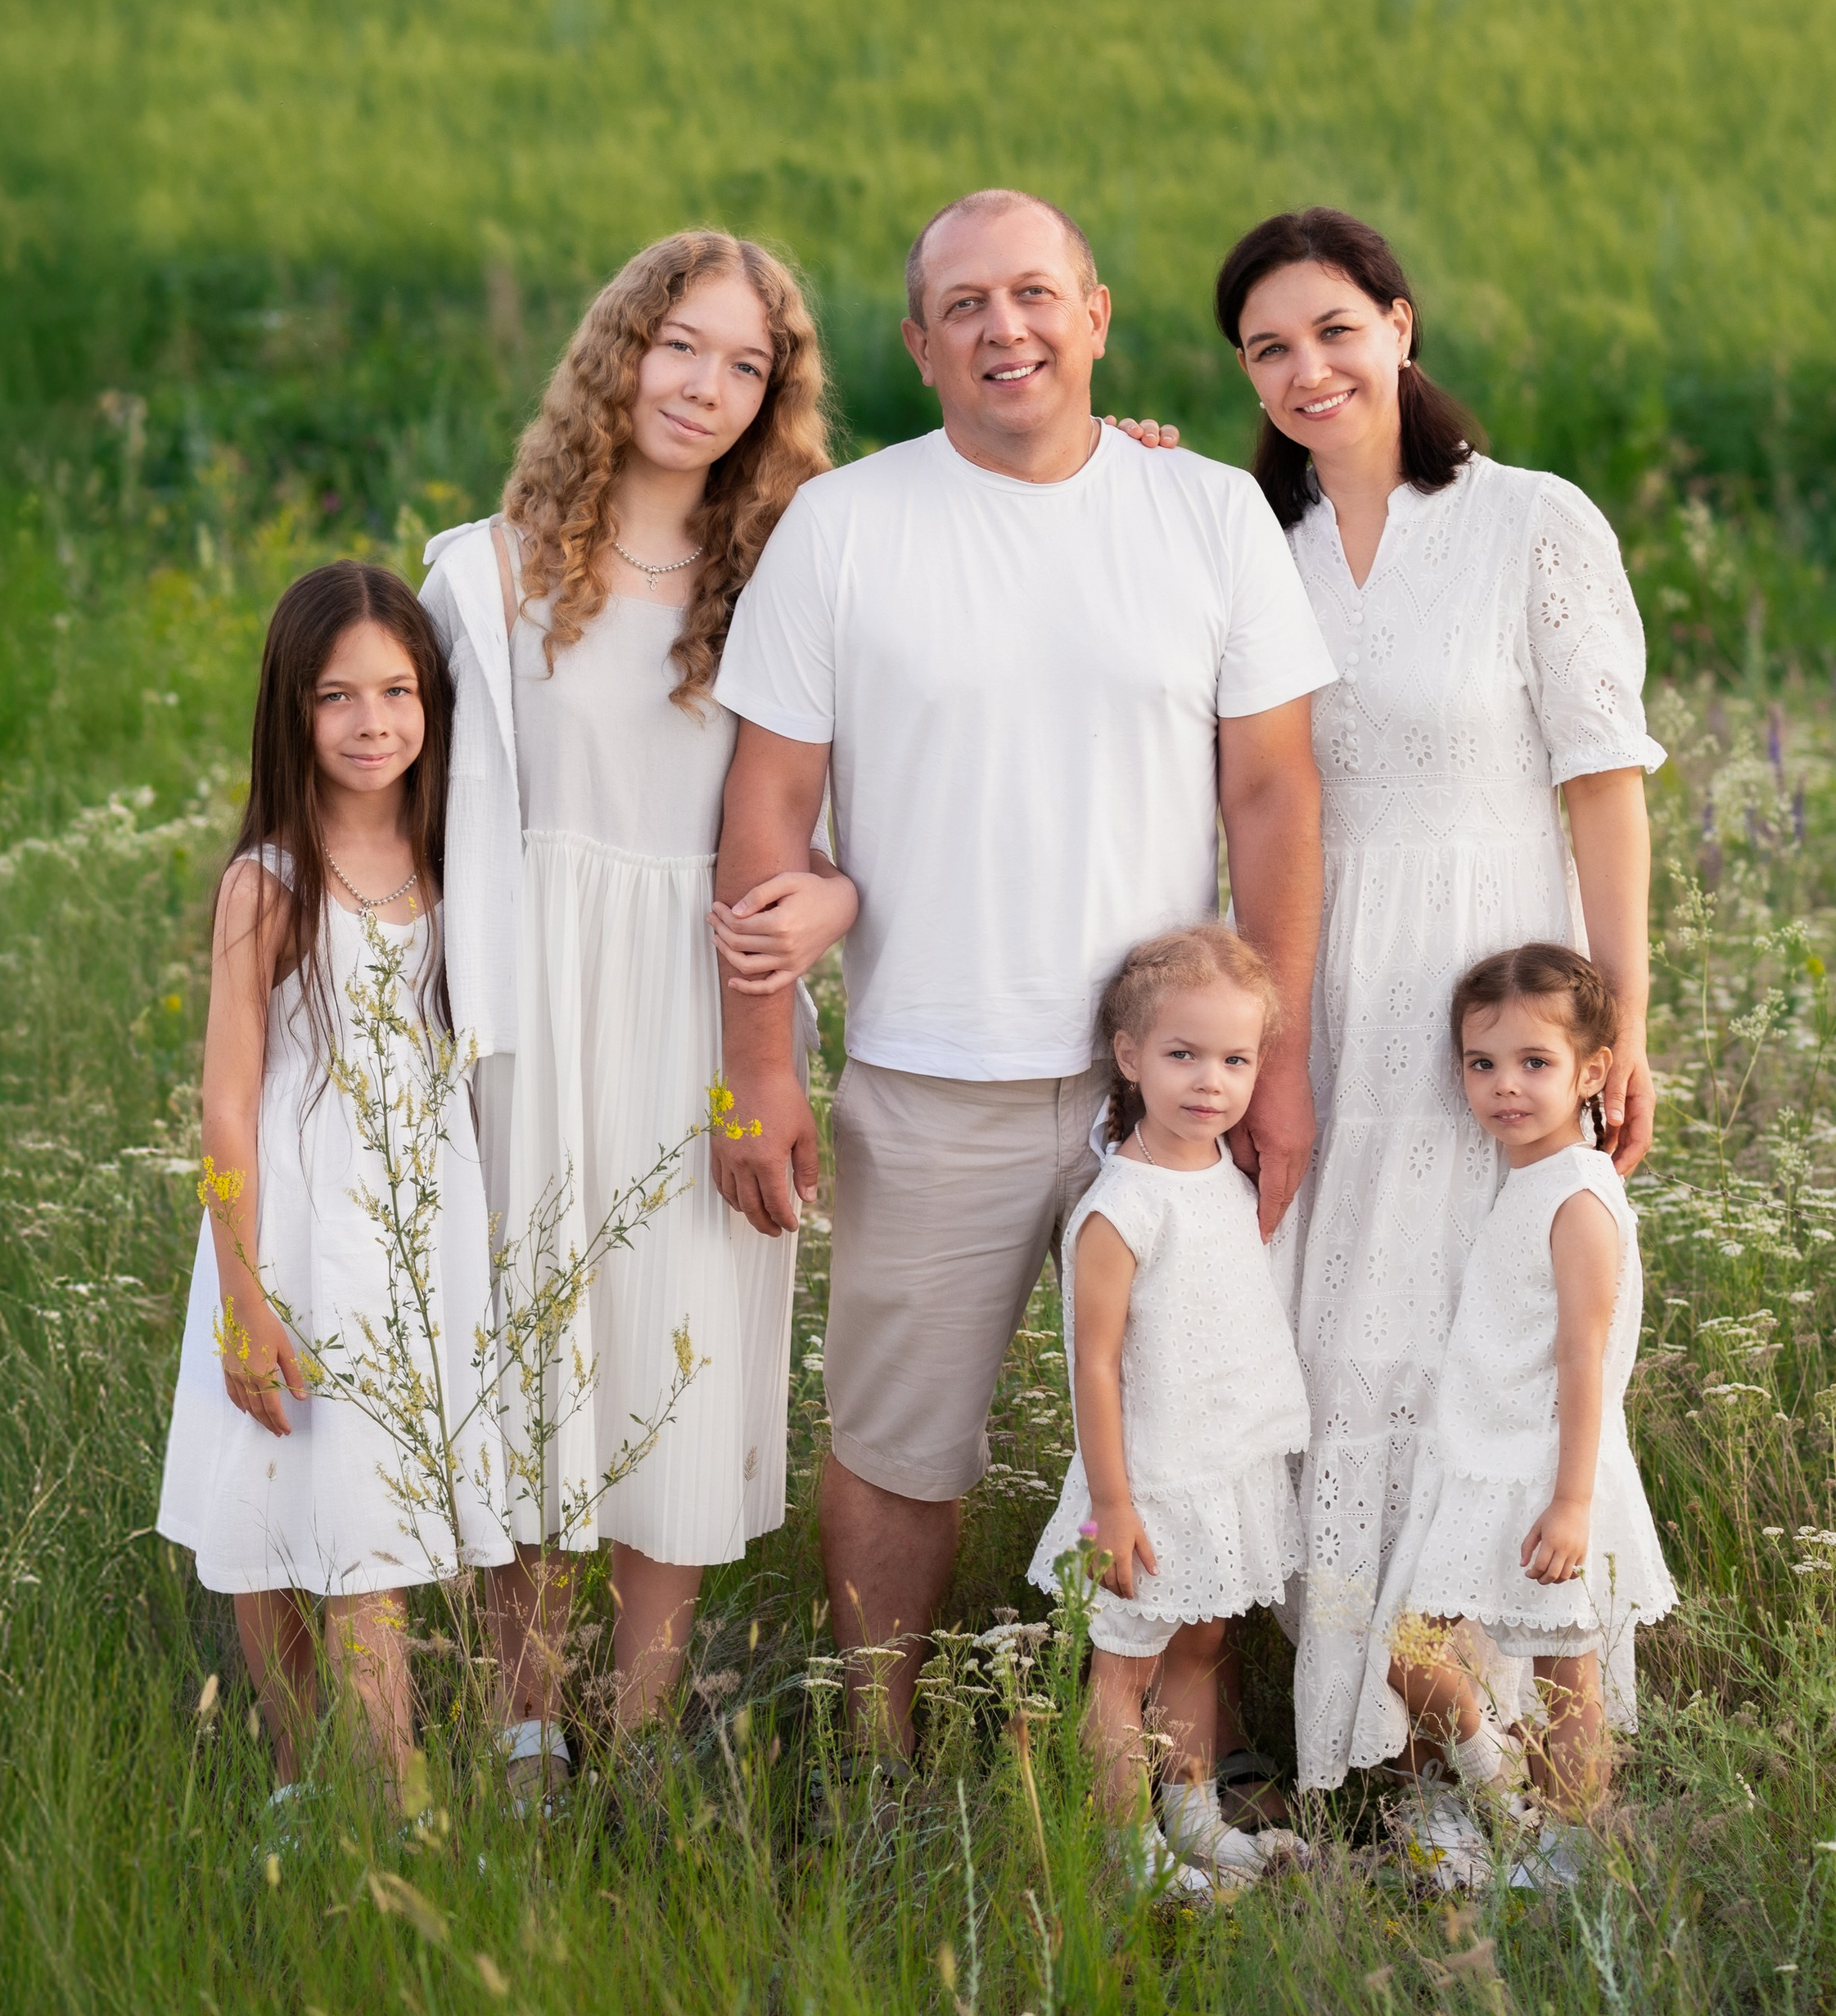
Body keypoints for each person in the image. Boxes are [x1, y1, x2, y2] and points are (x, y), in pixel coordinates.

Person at [710, 187, 1335, 1766]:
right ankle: (877, 1757)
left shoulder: (1203, 515)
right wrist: (763, 1070)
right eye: (969, 305)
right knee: (904, 1447)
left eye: (1037, 294)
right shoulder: (843, 529)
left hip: (1170, 1098)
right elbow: (765, 816)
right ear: (922, 346)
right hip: (932, 1075)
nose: (1009, 327)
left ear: (1097, 313)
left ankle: (1186, 1769)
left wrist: (1283, 1064)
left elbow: (1271, 797)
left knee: (1194, 1436)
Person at [1212, 205, 1664, 1790]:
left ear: (1399, 324)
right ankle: (1407, 1757)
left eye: (1333, 327)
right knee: (1341, 1350)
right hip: (1318, 988)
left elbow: (1601, 784)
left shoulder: (1528, 518)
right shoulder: (1233, 539)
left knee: (1502, 1345)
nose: (1305, 366)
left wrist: (1620, 1023)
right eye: (1266, 346)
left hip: (1492, 988)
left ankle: (1544, 1767)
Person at [418, 231, 854, 1793]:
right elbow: (402, 816)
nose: (710, 387)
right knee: (530, 1346)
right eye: (685, 346)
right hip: (532, 998)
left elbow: (865, 813)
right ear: (622, 350)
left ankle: (649, 1726)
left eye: (750, 365)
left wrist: (841, 901)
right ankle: (527, 1721)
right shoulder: (486, 568)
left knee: (682, 1341)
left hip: (710, 1002)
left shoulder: (803, 570)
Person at [157, 562, 512, 1806]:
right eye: (337, 697)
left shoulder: (458, 861)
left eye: (399, 691)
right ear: (290, 712)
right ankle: (326, 1776)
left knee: (374, 1514)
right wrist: (247, 1299)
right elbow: (227, 1104)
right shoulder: (271, 883)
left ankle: (388, 1775)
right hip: (294, 1229)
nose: (374, 724)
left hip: (417, 1235)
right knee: (268, 1499)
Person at [1356, 944, 1676, 1889]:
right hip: (1482, 1464)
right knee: (1408, 1650)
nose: (1504, 1086)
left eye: (1534, 1063)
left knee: (1564, 1673)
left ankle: (1572, 1851)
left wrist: (1571, 1500)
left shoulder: (1578, 1195)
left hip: (1548, 1471)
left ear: (1590, 1072)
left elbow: (1586, 1359)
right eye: (1481, 1063)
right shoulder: (1524, 1180)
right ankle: (1500, 1789)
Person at [1026, 927, 1310, 1897]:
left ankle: (1191, 1816)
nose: (1209, 1080)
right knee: (1123, 1669)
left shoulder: (1228, 1177)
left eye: (1235, 1059)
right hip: (1145, 1480)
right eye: (1182, 1054)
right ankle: (1123, 1851)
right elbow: (1092, 1363)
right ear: (1130, 1055)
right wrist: (1112, 1504)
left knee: (1201, 1643)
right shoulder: (1122, 1205)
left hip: (1221, 1466)